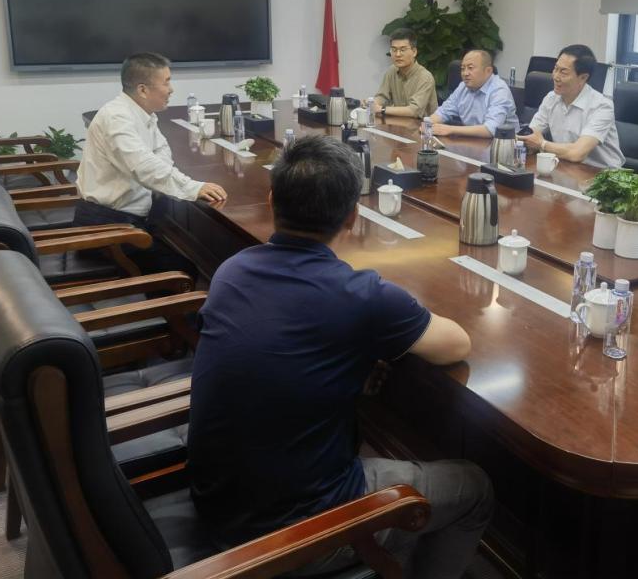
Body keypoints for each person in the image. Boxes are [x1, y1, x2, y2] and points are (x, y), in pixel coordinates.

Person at [188, 135, 493, 577]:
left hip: (217, 501)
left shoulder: (232, 270)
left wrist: (351, 363)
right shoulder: (360, 294)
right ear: (353, 215)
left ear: (271, 201)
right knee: (475, 487)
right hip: (288, 536)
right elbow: (456, 344)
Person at [75, 52, 227, 274]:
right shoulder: (117, 118)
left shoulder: (142, 113)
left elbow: (160, 153)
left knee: (180, 247)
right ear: (143, 90)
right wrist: (193, 187)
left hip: (128, 217)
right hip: (106, 226)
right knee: (184, 271)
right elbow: (143, 167)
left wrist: (175, 181)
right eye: (166, 82)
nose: (171, 89)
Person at [517, 44, 624, 168]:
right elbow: (532, 134)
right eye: (555, 69)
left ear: (583, 78)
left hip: (602, 173)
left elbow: (577, 153)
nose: (555, 76)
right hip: (566, 166)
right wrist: (527, 141)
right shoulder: (551, 98)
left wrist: (542, 144)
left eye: (563, 72)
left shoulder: (602, 106)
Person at [431, 49, 518, 137]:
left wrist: (450, 129)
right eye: (462, 69)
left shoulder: (499, 90)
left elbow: (491, 129)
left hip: (503, 142)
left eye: (470, 68)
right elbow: (443, 112)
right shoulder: (463, 87)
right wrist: (428, 124)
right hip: (472, 140)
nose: (465, 73)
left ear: (488, 71)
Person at [373, 28, 438, 118]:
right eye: (394, 50)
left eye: (403, 50)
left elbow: (414, 110)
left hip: (422, 125)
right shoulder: (391, 71)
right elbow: (383, 96)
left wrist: (382, 109)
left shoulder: (425, 77)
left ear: (414, 52)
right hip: (400, 123)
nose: (398, 54)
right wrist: (372, 104)